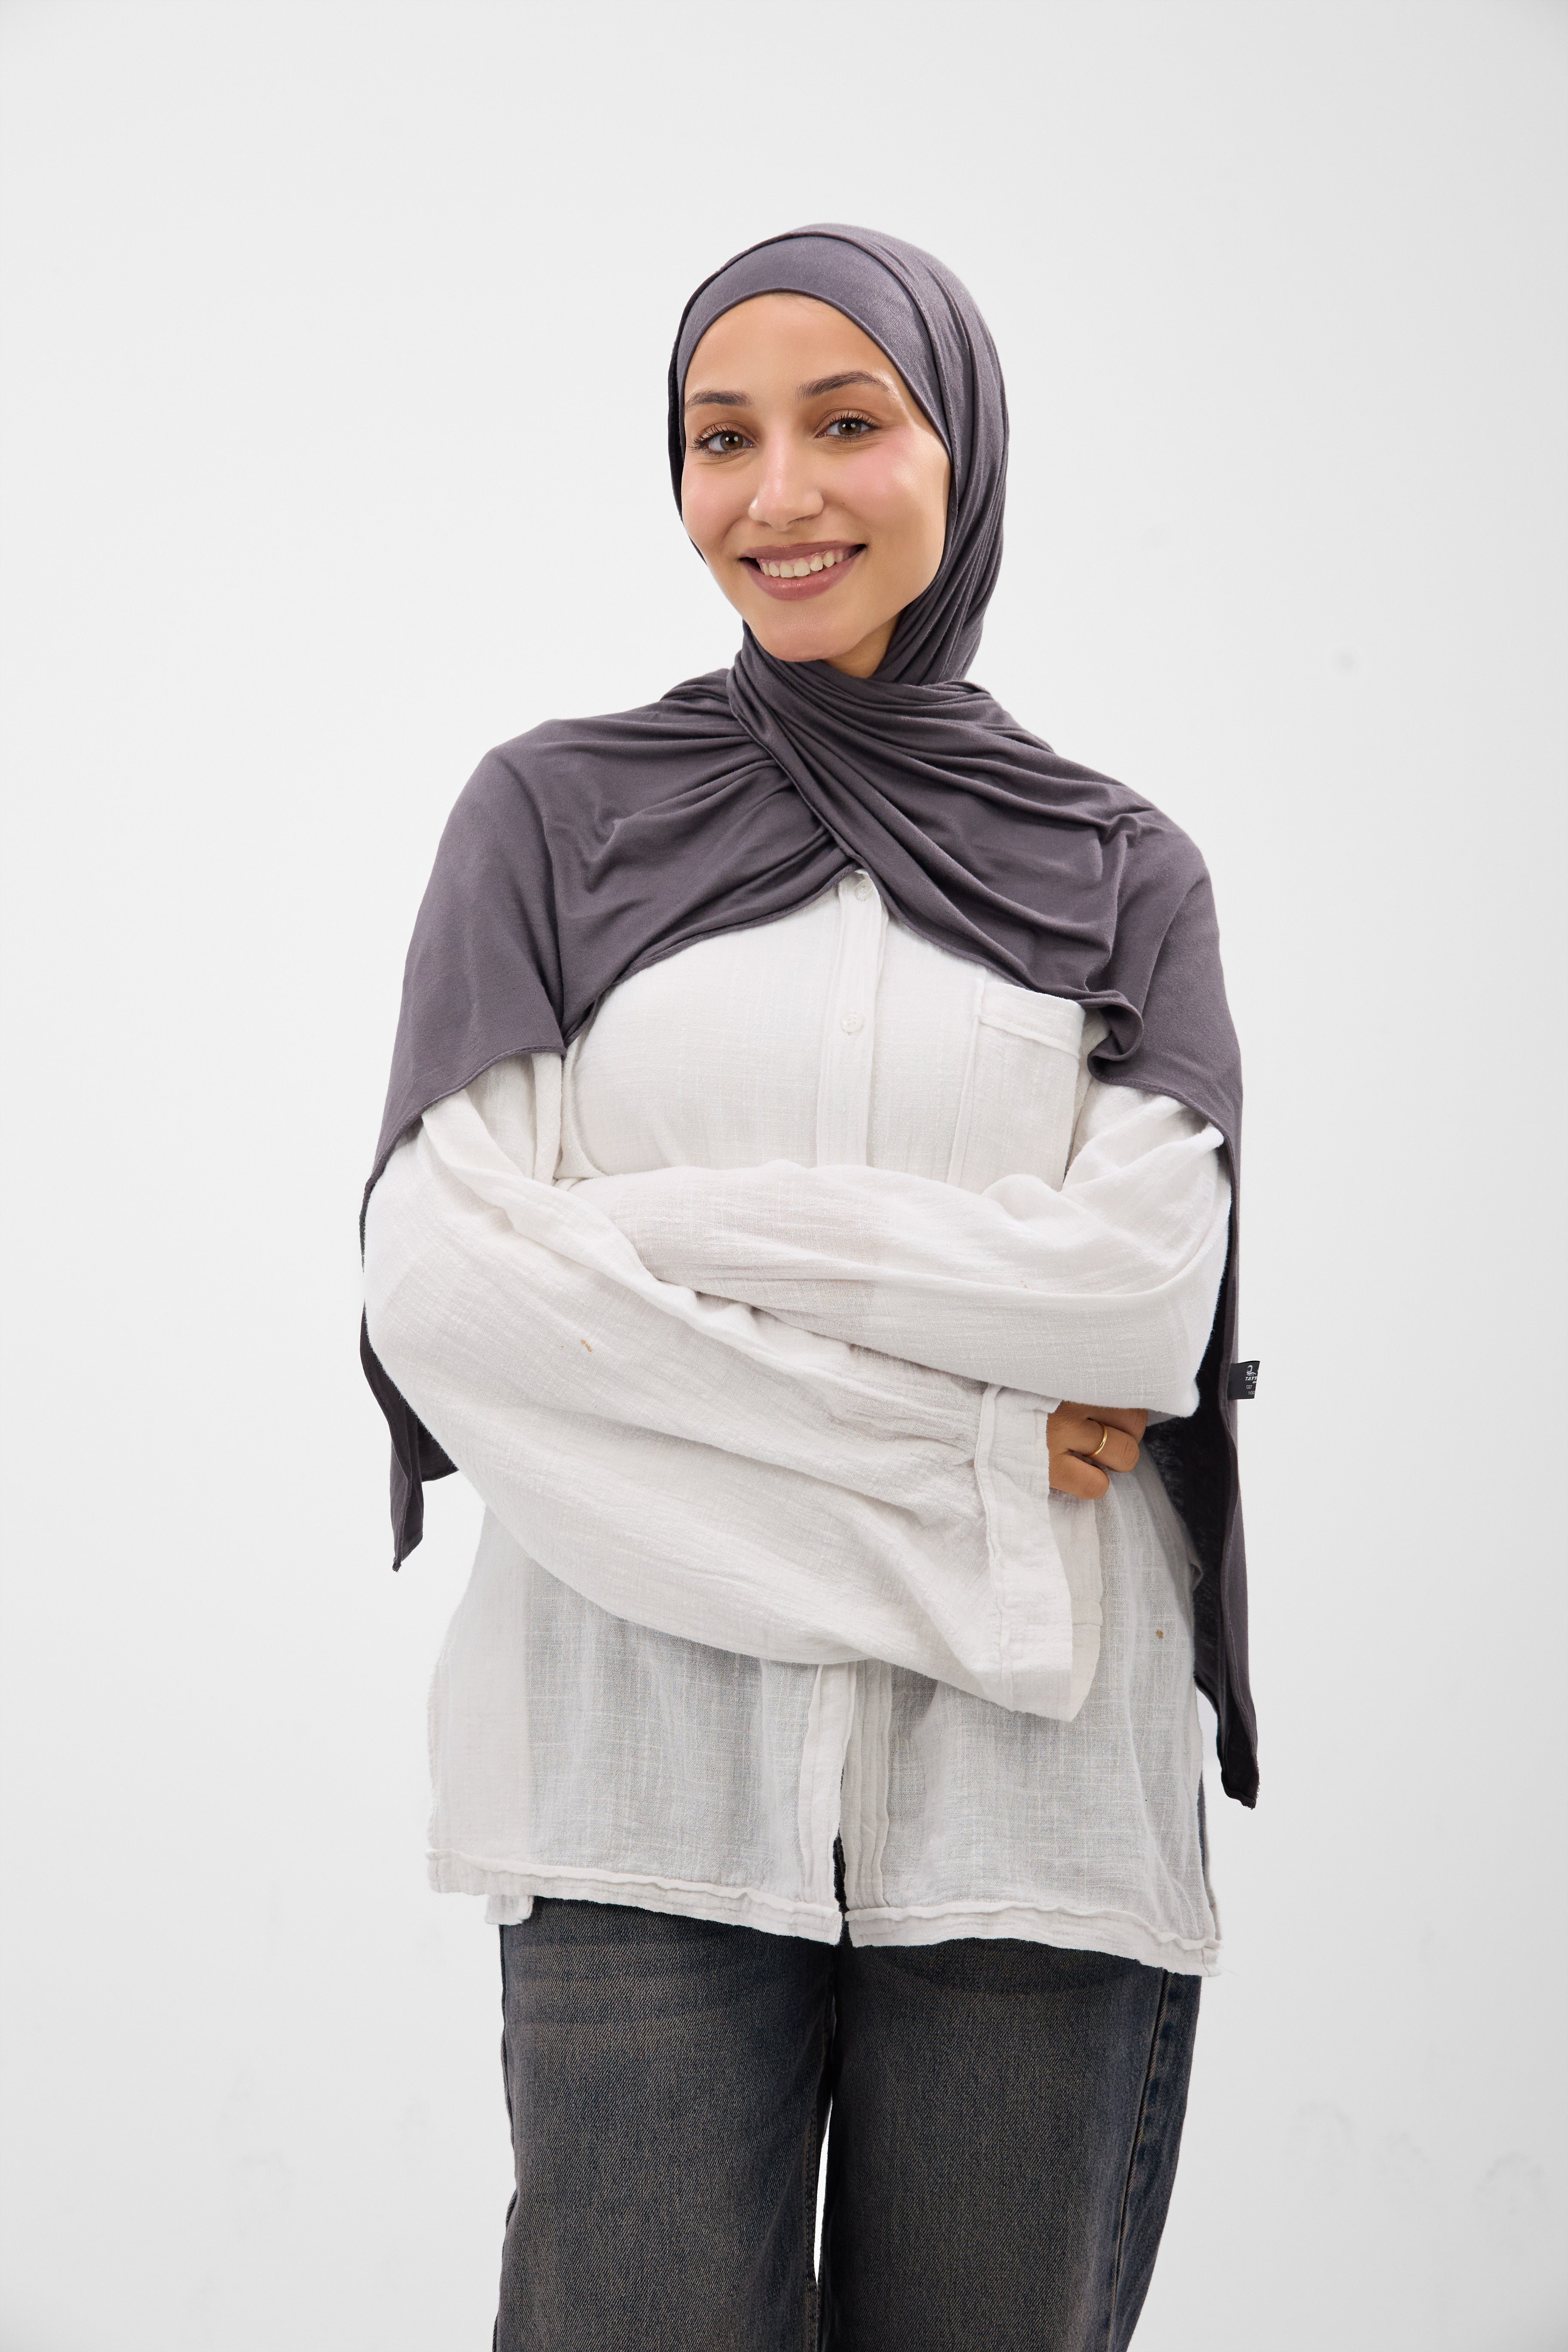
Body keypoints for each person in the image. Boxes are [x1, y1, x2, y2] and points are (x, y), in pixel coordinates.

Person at [361, 224, 1256, 2352]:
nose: (778, 496)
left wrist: (660, 1238)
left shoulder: (1120, 869)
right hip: (640, 1786)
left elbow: (1137, 1304)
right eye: (720, 439)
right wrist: (970, 1443)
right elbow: (448, 1293)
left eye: (849, 425)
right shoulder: (551, 821)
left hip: (1032, 1797)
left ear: (965, 452)